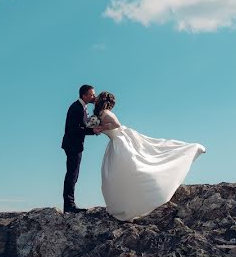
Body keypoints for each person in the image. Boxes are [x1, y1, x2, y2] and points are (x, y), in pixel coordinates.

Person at [93, 91, 205, 221]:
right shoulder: (100, 114)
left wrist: (101, 127)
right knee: (115, 175)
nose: (95, 99)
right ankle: (125, 206)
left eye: (97, 98)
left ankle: (192, 149)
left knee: (134, 168)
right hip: (114, 143)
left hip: (120, 142)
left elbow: (116, 124)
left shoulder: (105, 113)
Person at [60, 84, 101, 213]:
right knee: (72, 174)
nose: (94, 96)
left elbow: (84, 125)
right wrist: (92, 131)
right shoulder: (76, 107)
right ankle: (69, 205)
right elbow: (73, 129)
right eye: (92, 94)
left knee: (74, 174)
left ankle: (70, 204)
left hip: (75, 145)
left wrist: (95, 122)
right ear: (84, 95)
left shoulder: (83, 107)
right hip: (72, 145)